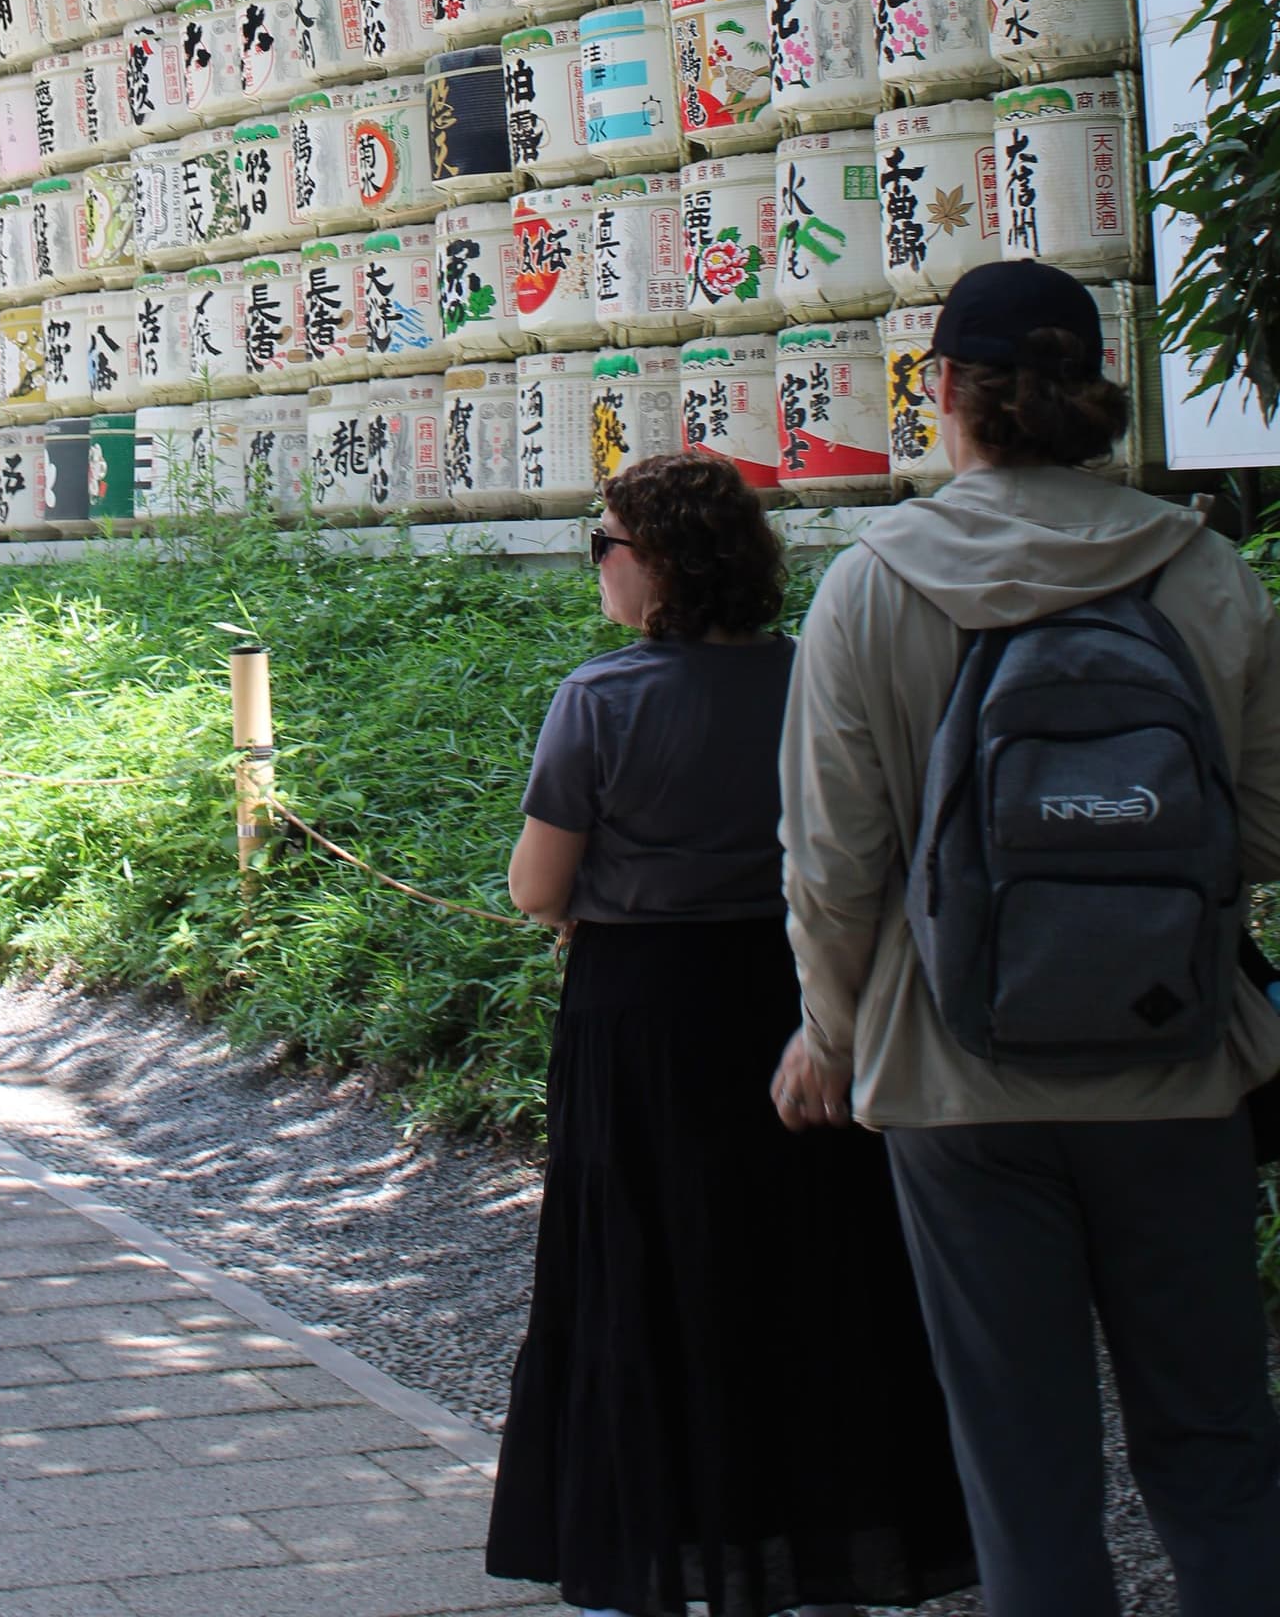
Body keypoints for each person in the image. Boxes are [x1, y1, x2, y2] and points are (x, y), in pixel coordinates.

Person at [778, 257, 1280, 1616]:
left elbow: (834, 866)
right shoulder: (1205, 572)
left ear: (944, 392)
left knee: (1023, 1456)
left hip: (957, 1083)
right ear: (1098, 394)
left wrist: (834, 1037)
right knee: (1220, 1442)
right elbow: (1272, 831)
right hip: (1179, 1070)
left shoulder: (873, 586)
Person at [487, 451, 973, 1617]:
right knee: (806, 1274)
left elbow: (531, 887)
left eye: (602, 543)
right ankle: (822, 1551)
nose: (595, 565)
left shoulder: (599, 700)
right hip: (798, 998)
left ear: (653, 566)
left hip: (641, 1013)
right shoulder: (810, 679)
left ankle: (648, 1550)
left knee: (643, 1274)